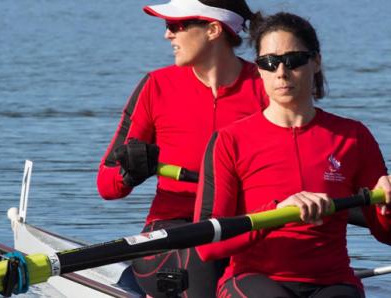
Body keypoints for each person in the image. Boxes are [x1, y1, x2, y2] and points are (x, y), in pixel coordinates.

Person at [194, 12, 391, 298]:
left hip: (333, 281)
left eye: (294, 60)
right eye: (269, 62)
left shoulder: (353, 136)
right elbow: (207, 245)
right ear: (259, 69)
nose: (281, 72)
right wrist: (276, 213)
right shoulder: (229, 140)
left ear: (316, 61)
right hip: (253, 278)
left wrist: (387, 209)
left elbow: (386, 235)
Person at [96, 0, 269, 296]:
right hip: (172, 228)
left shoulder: (266, 87)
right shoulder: (156, 86)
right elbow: (106, 185)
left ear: (214, 30)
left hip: (246, 224)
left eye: (175, 26)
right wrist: (129, 173)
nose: (168, 35)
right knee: (199, 256)